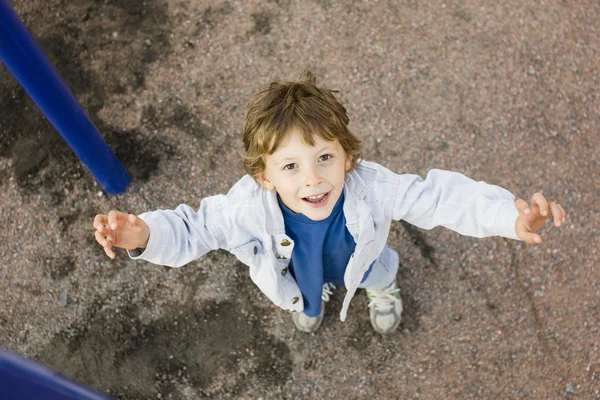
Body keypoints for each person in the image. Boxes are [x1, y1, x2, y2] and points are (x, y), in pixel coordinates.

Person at [93, 71, 567, 335]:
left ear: (348, 156)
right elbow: (198, 228)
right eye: (291, 166)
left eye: (325, 157)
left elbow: (439, 197)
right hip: (300, 268)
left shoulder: (372, 185)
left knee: (376, 269)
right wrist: (146, 235)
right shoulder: (247, 206)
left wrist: (509, 216)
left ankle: (381, 287)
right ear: (264, 176)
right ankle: (309, 297)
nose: (314, 179)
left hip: (363, 256)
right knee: (304, 289)